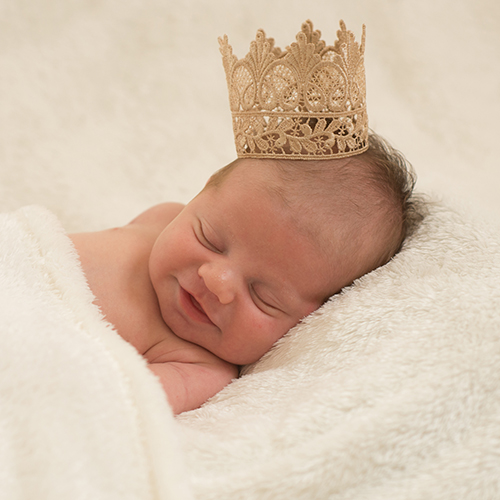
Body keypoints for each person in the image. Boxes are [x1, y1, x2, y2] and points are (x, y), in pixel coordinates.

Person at [70, 20, 419, 414]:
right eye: (209, 238)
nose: (215, 280)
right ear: (200, 195)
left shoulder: (198, 369)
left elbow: (101, 403)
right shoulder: (162, 218)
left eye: (262, 295)